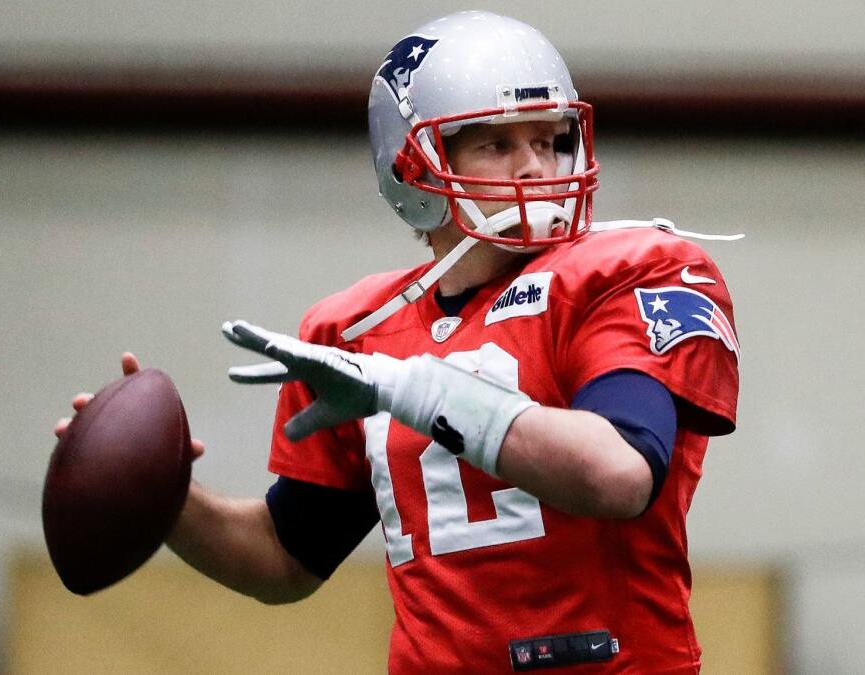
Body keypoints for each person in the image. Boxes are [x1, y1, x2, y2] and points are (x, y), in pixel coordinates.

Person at [56, 10, 739, 674]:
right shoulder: (357, 329)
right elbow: (283, 558)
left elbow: (618, 472)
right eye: (497, 143)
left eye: (550, 139)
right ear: (413, 168)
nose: (535, 167)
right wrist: (164, 493)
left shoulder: (627, 272)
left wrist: (406, 385)